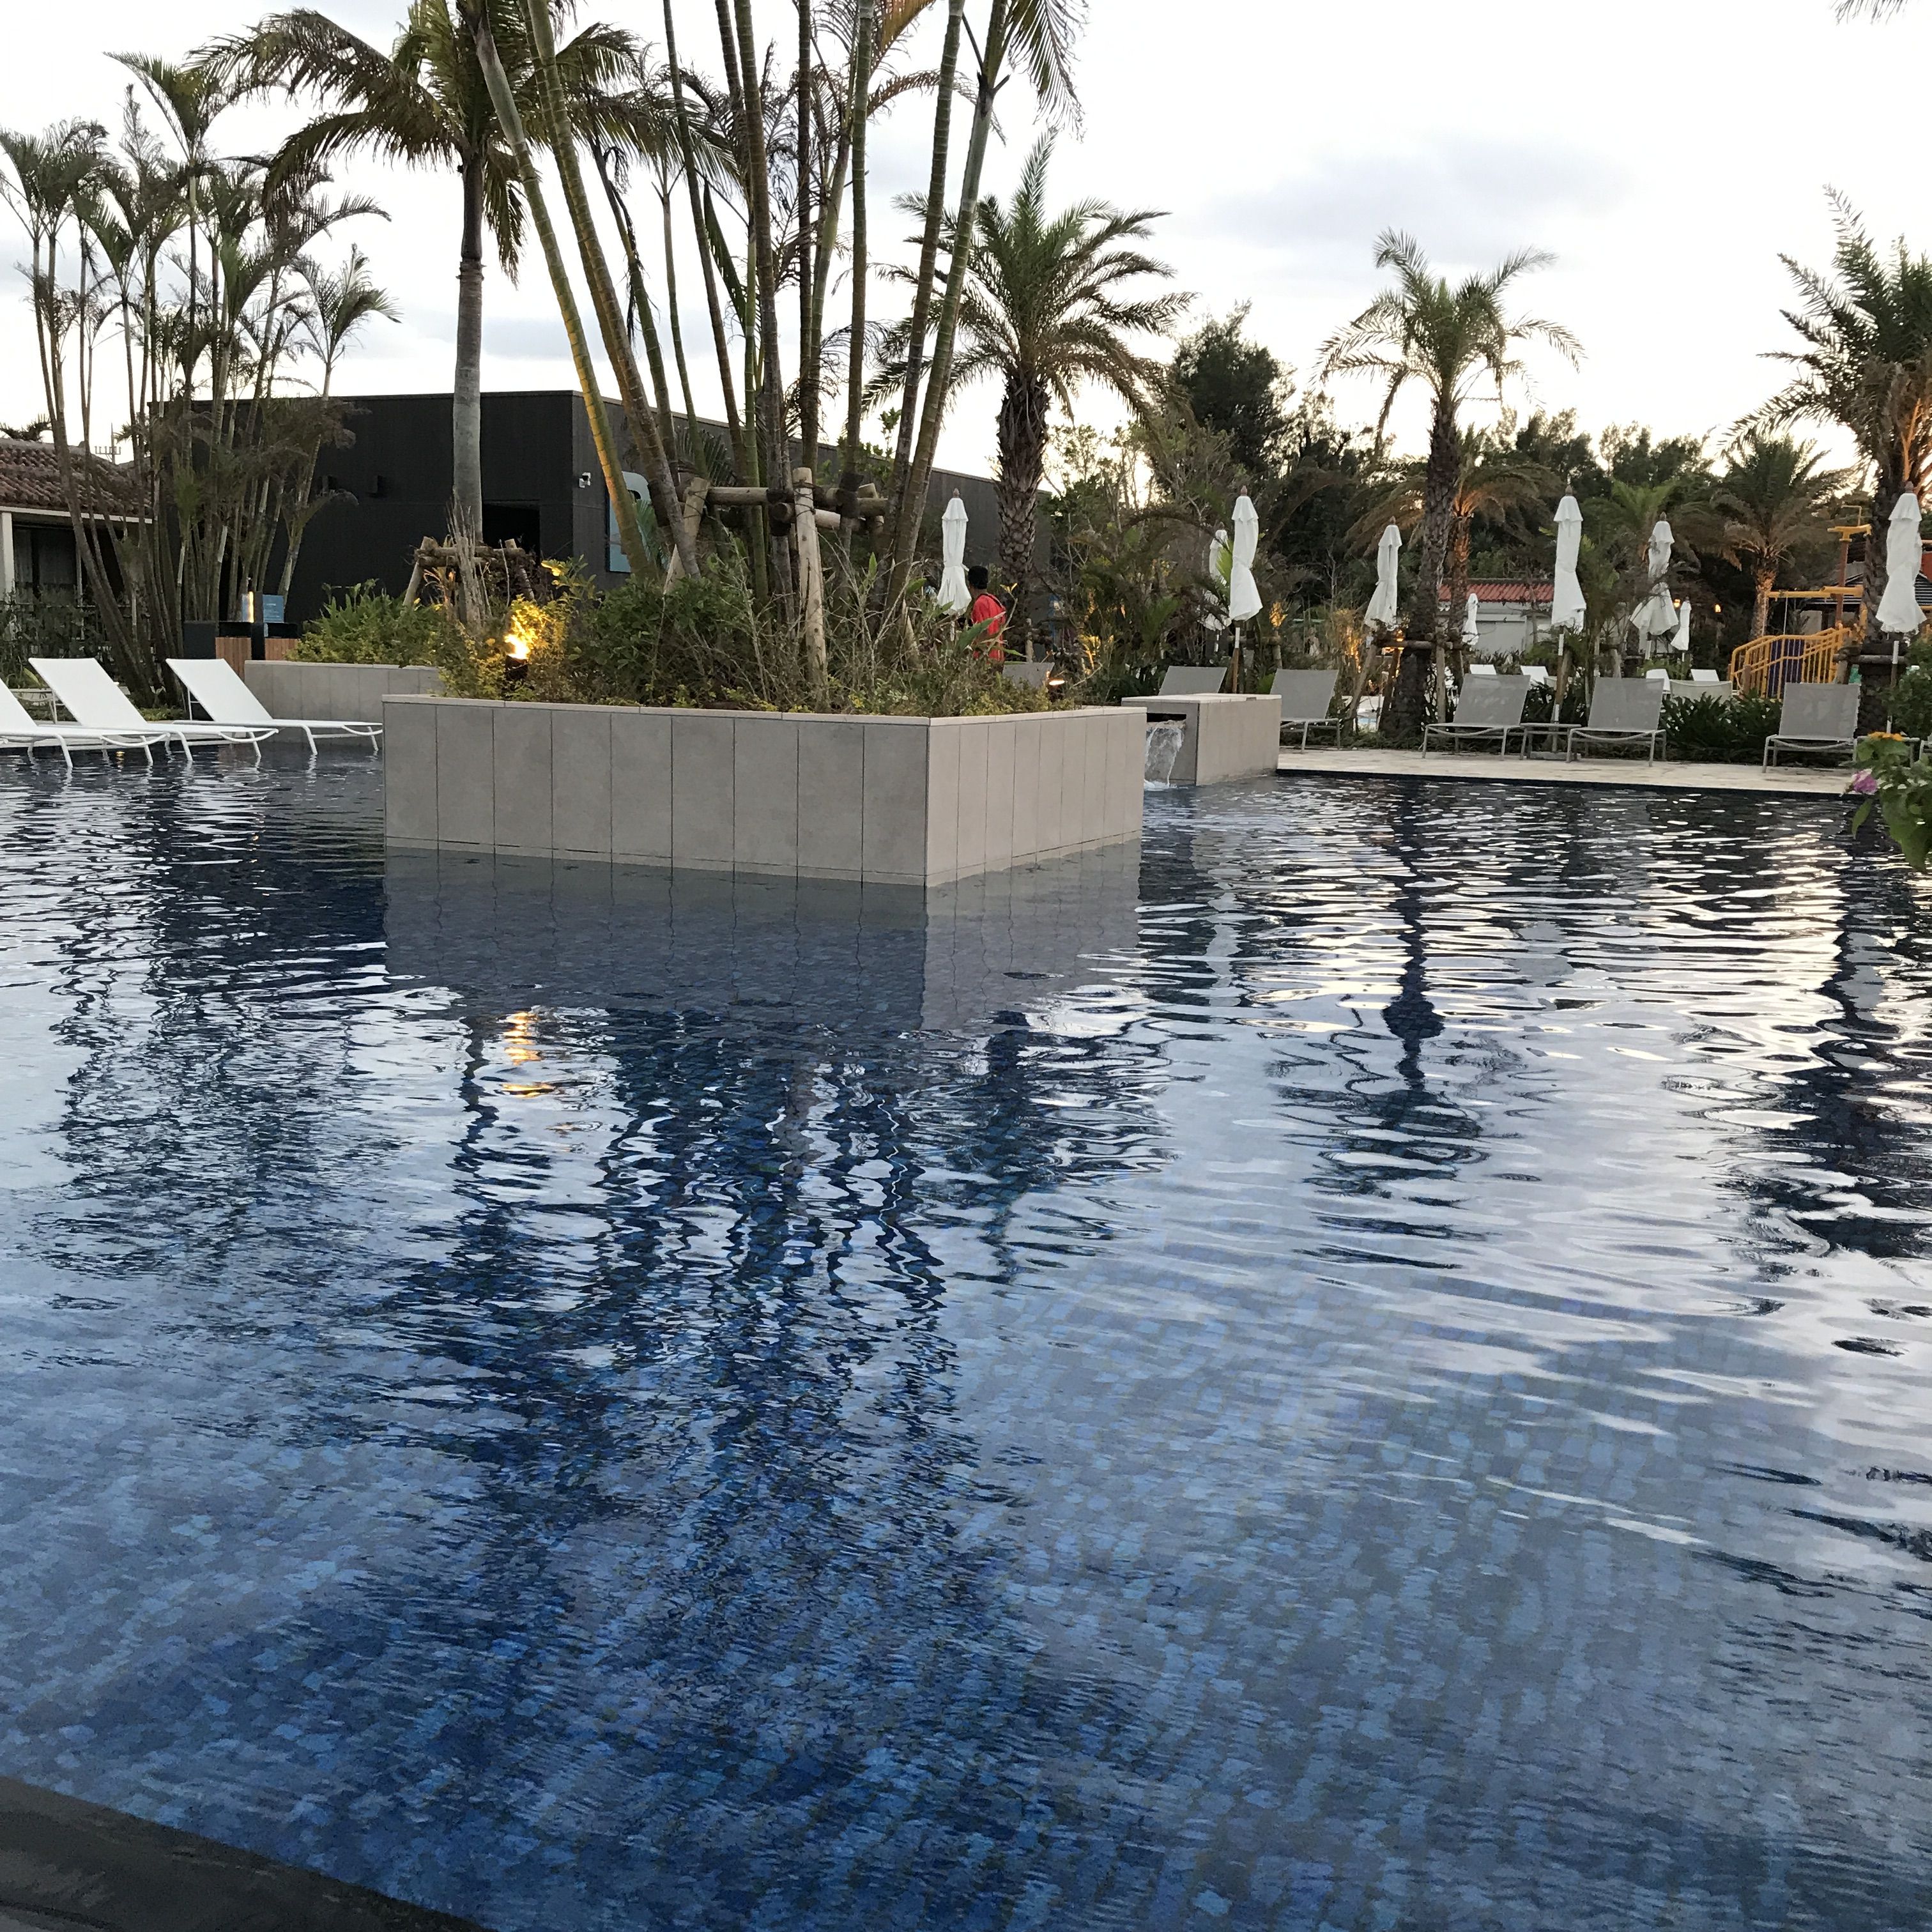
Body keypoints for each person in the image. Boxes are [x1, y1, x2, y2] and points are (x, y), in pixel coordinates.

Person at [963, 565, 1007, 663]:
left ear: (970, 585)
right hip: (997, 657)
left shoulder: (980, 603)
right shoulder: (995, 601)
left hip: (985, 659)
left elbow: (983, 630)